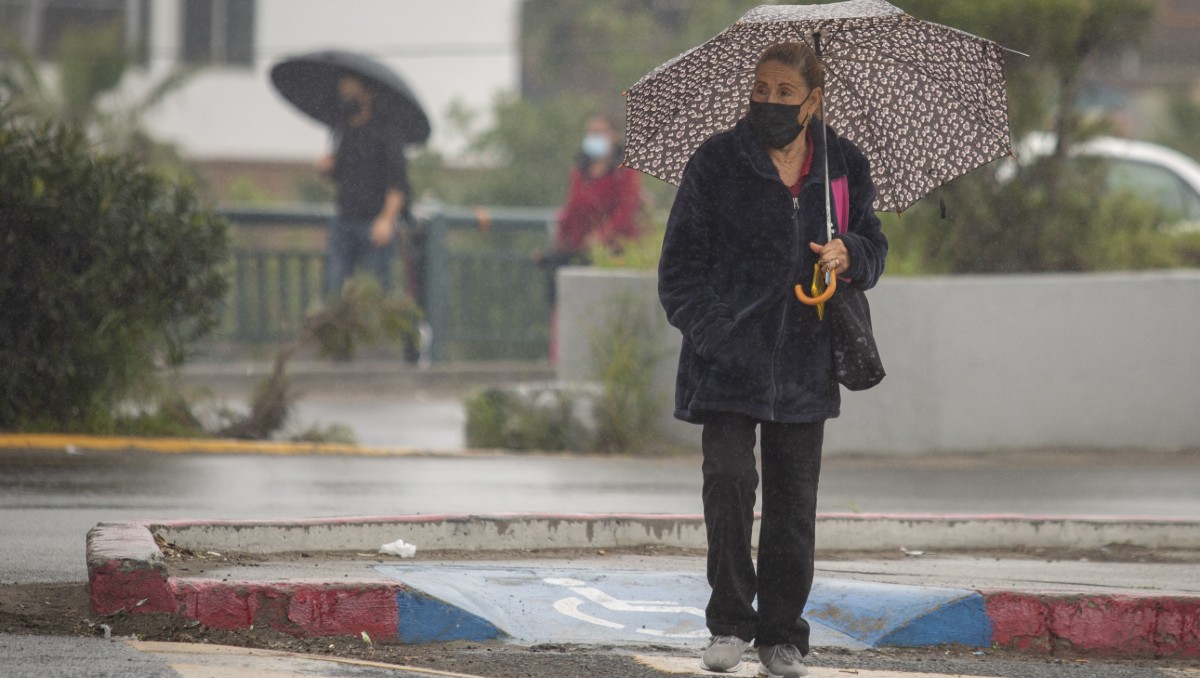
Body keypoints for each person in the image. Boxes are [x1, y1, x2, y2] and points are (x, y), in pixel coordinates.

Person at [657, 42, 888, 678]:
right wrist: (719, 339)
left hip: (807, 364)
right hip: (727, 364)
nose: (770, 102)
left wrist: (850, 254)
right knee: (729, 484)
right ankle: (730, 622)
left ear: (813, 101)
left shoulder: (842, 165)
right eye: (761, 89)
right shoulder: (716, 162)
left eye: (785, 93)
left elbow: (874, 246)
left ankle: (783, 635)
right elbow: (678, 274)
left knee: (793, 504)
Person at [540, 113, 644, 360]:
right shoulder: (581, 170)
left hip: (615, 250)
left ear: (614, 136)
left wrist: (602, 236)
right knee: (559, 291)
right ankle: (563, 354)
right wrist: (562, 235)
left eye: (600, 132)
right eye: (591, 132)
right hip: (579, 249)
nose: (594, 138)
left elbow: (626, 210)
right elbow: (572, 207)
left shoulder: (624, 171)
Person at [317, 74, 410, 299]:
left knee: (373, 291)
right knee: (335, 287)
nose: (346, 98)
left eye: (352, 92)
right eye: (344, 93)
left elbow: (398, 182)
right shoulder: (342, 130)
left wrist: (387, 219)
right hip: (344, 219)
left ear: (368, 94)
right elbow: (344, 176)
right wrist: (328, 168)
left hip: (374, 222)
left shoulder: (386, 131)